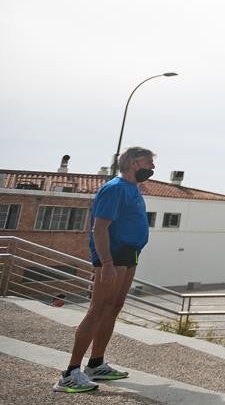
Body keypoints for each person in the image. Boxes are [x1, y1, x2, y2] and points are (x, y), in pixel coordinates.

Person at [55, 146, 156, 393]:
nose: (152, 168)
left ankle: (96, 364)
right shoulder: (115, 189)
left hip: (130, 253)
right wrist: (106, 263)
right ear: (133, 163)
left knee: (113, 308)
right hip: (114, 255)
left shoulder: (132, 189)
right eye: (149, 163)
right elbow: (99, 228)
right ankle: (70, 374)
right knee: (98, 309)